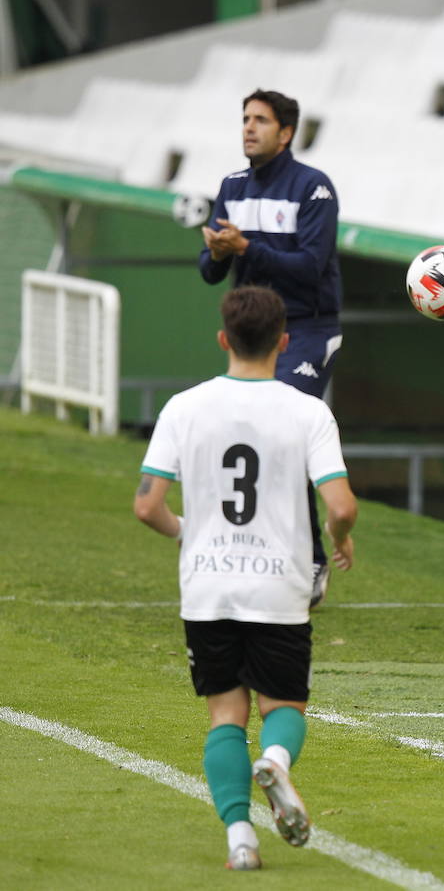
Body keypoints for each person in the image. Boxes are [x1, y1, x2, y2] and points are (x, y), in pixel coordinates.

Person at [133, 287, 357, 870]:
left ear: (223, 339)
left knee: (224, 714)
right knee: (283, 705)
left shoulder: (183, 408)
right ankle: (277, 760)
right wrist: (340, 537)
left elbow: (146, 505)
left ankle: (240, 841)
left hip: (208, 585)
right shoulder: (309, 411)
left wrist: (188, 530)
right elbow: (340, 504)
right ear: (284, 342)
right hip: (279, 585)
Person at [199, 88, 343, 609]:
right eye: (244, 119)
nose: (248, 128)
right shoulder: (231, 187)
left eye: (260, 120)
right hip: (254, 333)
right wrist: (217, 252)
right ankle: (262, 556)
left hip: (306, 329)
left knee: (283, 432)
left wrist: (245, 248)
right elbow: (210, 271)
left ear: (286, 133)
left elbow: (309, 265)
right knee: (250, 435)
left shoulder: (314, 188)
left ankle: (311, 560)